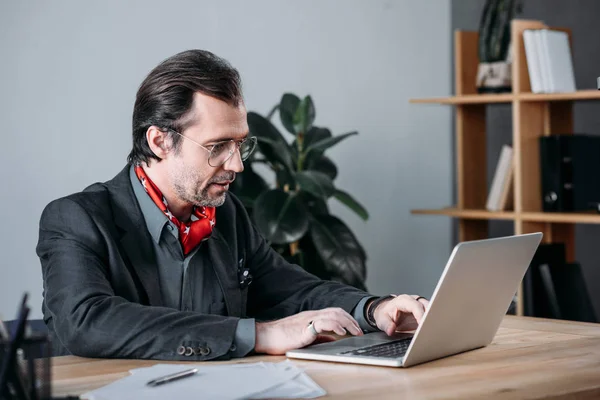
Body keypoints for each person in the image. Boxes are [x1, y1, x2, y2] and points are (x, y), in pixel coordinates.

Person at [36, 49, 429, 361]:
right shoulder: (76, 218)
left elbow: (290, 289)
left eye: (240, 144)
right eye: (217, 147)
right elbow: (86, 321)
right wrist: (260, 333)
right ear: (158, 141)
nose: (237, 165)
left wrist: (374, 308)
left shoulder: (227, 215)